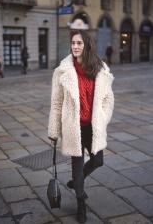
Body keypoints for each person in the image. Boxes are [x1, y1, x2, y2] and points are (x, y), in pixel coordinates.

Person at [48, 30, 114, 223]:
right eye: (73, 43)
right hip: (73, 127)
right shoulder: (63, 71)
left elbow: (108, 99)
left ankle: (77, 182)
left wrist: (102, 117)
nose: (75, 46)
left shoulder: (99, 69)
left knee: (98, 160)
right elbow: (56, 103)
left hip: (93, 127)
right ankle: (80, 203)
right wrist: (53, 131)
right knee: (77, 167)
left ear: (87, 45)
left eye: (79, 43)